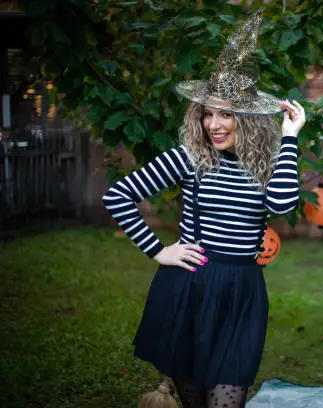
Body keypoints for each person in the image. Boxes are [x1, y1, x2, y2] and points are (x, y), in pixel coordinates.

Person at [102, 9, 305, 408]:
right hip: (191, 287)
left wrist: (290, 137)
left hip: (243, 294)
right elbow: (118, 195)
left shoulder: (266, 163)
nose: (214, 124)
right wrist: (159, 251)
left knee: (228, 398)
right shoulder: (191, 157)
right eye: (207, 113)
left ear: (246, 118)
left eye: (226, 113)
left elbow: (282, 204)